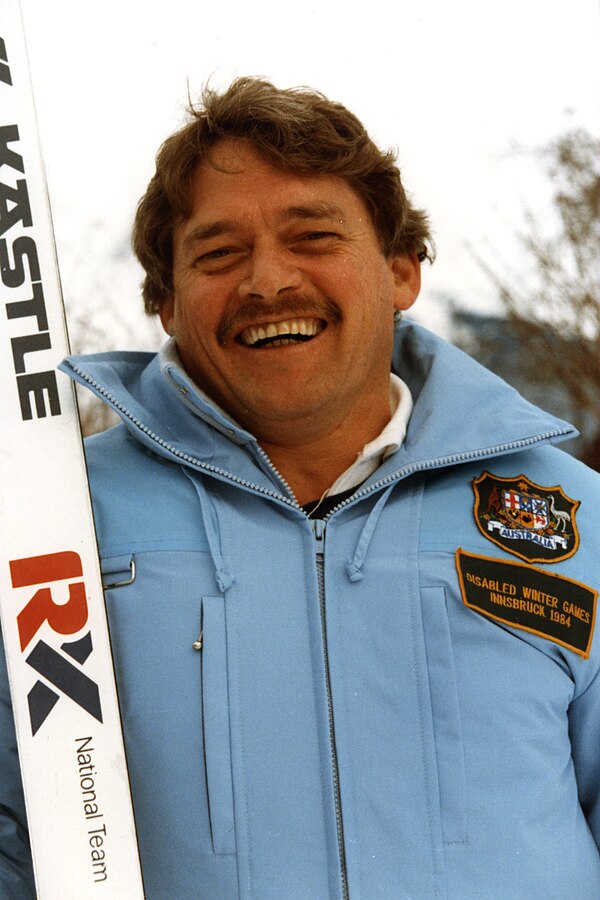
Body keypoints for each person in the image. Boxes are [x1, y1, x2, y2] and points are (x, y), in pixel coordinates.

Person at [2, 77, 600, 899]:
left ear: (400, 271)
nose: (267, 281)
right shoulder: (53, 525)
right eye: (217, 254)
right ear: (165, 304)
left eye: (312, 235)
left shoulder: (573, 519)